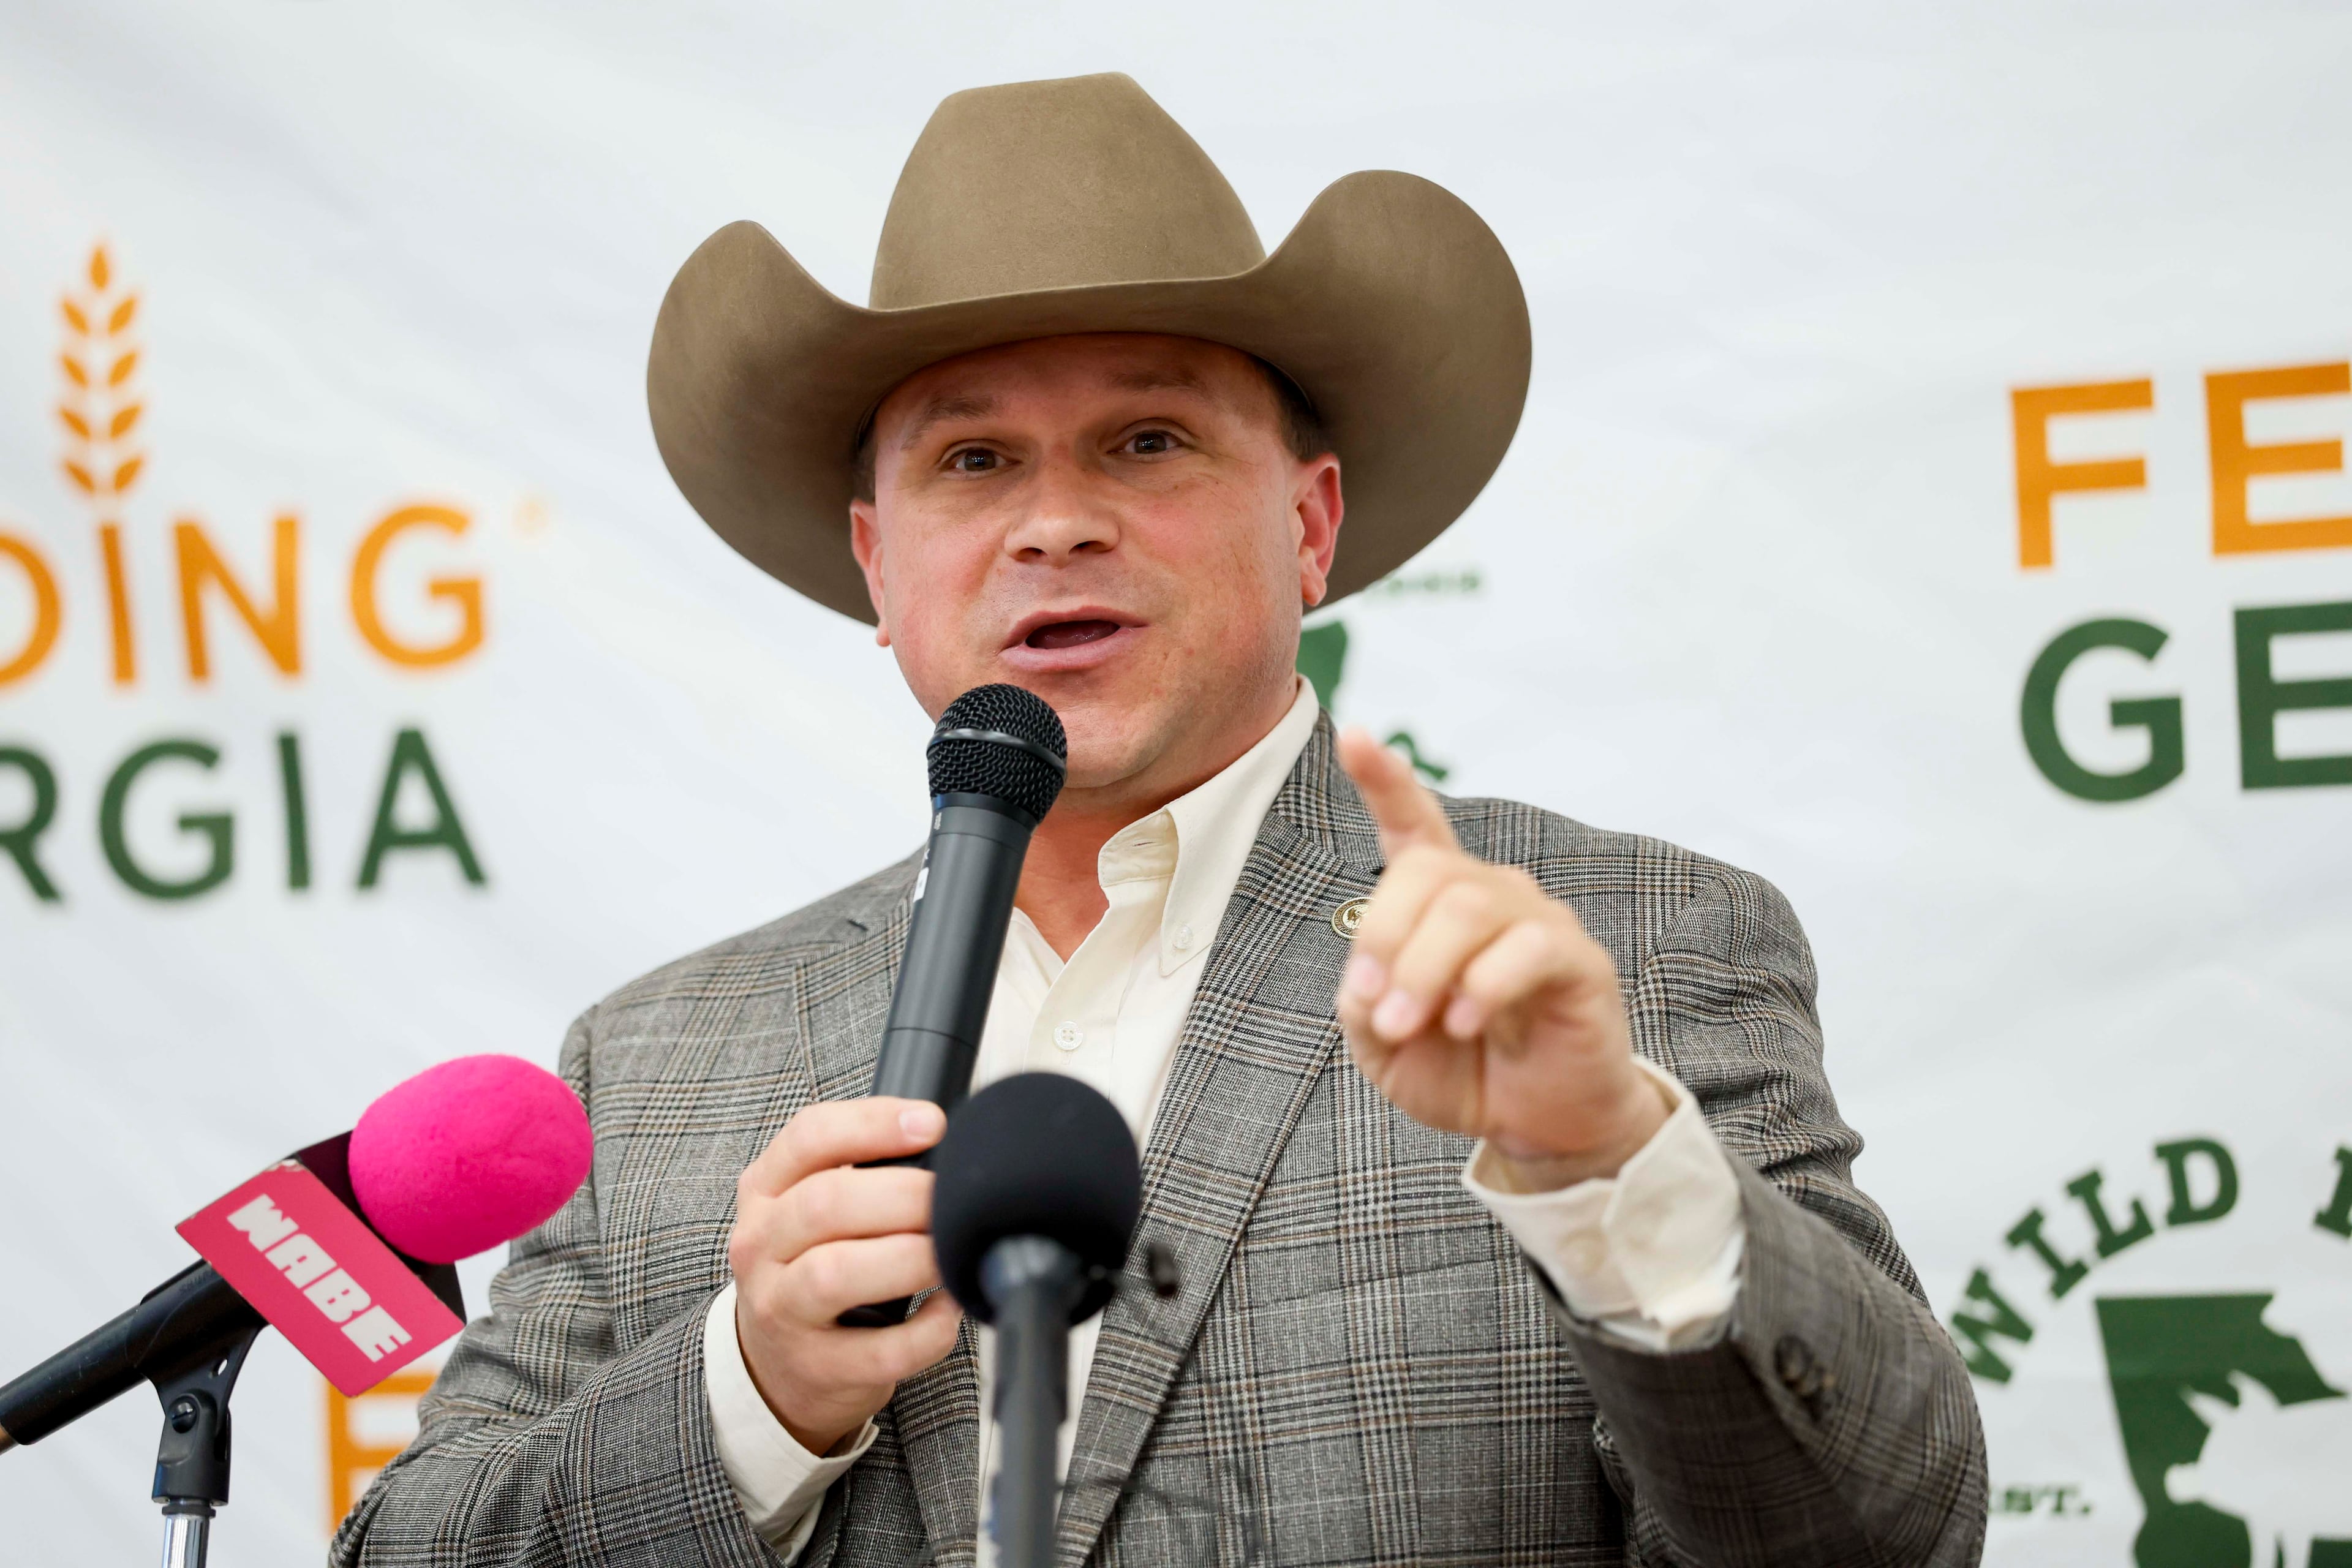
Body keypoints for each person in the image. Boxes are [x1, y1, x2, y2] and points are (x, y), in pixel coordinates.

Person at [335, 73, 1986, 1568]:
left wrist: (1607, 1156)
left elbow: (1885, 1535)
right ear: (878, 567)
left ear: (1311, 522)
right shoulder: (662, 1057)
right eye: (973, 461)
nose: (1056, 521)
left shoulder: (1616, 949)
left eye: (1147, 440)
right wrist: (748, 1391)